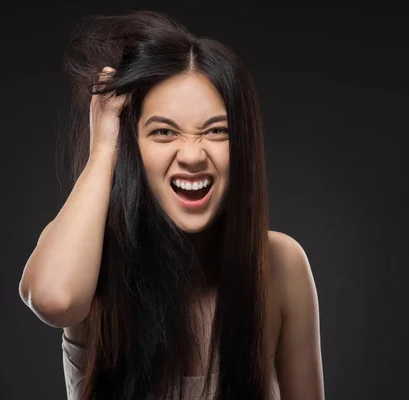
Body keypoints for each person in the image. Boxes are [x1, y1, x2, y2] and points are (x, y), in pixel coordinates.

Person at [19, 10, 324, 400]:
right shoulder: (94, 255)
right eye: (163, 132)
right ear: (134, 145)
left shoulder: (280, 264)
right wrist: (105, 149)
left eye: (216, 131)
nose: (193, 155)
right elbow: (53, 299)